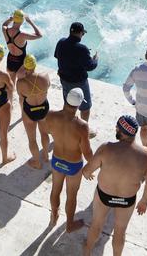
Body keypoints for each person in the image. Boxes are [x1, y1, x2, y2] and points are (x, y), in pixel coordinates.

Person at [83, 116, 147, 256]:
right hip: (126, 200)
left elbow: (86, 171)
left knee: (96, 225)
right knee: (120, 231)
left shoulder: (106, 148)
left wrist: (88, 175)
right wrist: (144, 201)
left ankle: (87, 251)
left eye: (117, 127)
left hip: (104, 196)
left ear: (121, 131)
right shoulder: (146, 155)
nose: (115, 129)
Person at [45, 88, 93, 232]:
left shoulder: (51, 115)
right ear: (78, 105)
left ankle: (54, 215)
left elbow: (47, 130)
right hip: (73, 165)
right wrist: (94, 166)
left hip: (57, 159)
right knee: (71, 196)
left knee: (55, 189)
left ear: (66, 99)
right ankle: (70, 225)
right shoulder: (82, 126)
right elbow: (87, 153)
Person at [54, 22, 98, 132]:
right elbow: (90, 66)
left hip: (64, 80)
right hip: (79, 83)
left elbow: (57, 56)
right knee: (85, 108)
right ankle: (84, 129)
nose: (82, 36)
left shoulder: (61, 42)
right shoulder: (82, 49)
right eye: (83, 34)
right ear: (79, 33)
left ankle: (66, 126)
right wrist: (95, 59)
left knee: (68, 105)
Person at [16, 54, 50, 169]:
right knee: (44, 133)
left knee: (32, 139)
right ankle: (45, 156)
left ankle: (36, 162)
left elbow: (21, 96)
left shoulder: (20, 83)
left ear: (24, 67)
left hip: (29, 111)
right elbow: (48, 87)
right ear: (35, 65)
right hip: (43, 109)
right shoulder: (45, 76)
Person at [2, 9, 42, 78]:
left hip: (10, 59)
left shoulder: (5, 30)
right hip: (20, 62)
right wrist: (30, 22)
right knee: (22, 84)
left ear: (14, 19)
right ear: (22, 21)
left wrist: (10, 19)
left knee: (11, 83)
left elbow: (4, 25)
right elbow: (39, 35)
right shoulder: (22, 35)